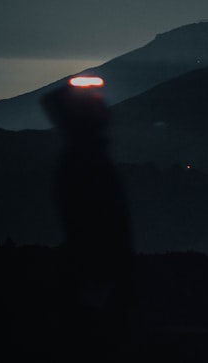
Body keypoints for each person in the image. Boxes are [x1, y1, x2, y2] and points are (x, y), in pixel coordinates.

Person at [40, 76, 135, 359]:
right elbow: (98, 230)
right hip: (97, 291)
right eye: (94, 103)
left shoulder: (82, 160)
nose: (103, 106)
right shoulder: (87, 164)